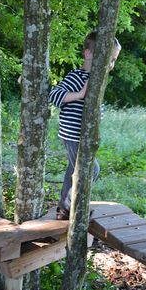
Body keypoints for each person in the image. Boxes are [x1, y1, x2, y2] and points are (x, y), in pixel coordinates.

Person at [49, 30, 121, 220]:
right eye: (108, 58)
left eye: (113, 60)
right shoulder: (77, 76)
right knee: (90, 169)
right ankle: (72, 206)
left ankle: (63, 210)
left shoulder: (98, 82)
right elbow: (54, 96)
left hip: (83, 136)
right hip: (72, 135)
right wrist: (80, 94)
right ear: (88, 54)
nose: (111, 64)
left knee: (73, 172)